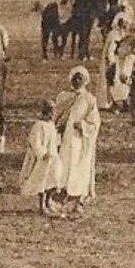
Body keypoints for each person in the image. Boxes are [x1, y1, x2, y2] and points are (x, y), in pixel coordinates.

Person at [53, 65, 100, 216]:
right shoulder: (63, 97)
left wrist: (83, 126)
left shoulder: (89, 99)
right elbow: (55, 117)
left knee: (79, 168)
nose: (77, 81)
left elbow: (95, 123)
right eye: (75, 78)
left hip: (80, 141)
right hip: (65, 139)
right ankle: (60, 195)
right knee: (63, 166)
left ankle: (77, 199)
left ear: (85, 80)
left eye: (80, 78)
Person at [19, 100, 63, 215]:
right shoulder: (38, 126)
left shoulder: (52, 125)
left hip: (53, 157)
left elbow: (55, 141)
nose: (52, 115)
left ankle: (49, 201)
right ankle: (42, 204)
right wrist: (42, 153)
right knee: (42, 182)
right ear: (46, 112)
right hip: (43, 160)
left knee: (54, 179)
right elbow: (35, 142)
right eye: (51, 112)